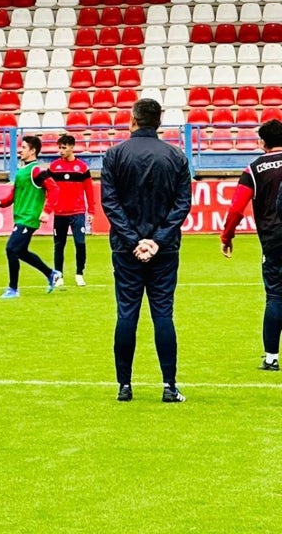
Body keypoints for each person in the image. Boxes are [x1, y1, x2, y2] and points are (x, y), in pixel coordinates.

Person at [101, 98, 192, 403]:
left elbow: (110, 204)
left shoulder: (114, 155)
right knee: (163, 314)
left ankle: (124, 386)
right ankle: (169, 385)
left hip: (126, 250)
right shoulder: (176, 156)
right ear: (159, 121)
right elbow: (182, 204)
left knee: (127, 314)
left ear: (133, 120)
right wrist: (158, 240)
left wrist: (132, 240)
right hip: (164, 251)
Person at [218, 118, 282, 372]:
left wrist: (227, 236)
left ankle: (271, 358)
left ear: (263, 142)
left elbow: (236, 208)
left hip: (274, 240)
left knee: (276, 296)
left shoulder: (254, 169)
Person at [0, 135, 62, 297]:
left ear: (32, 151)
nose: (20, 150)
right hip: (20, 217)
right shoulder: (22, 171)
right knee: (21, 251)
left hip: (29, 218)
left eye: (24, 148)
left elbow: (54, 189)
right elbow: (14, 195)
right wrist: (1, 203)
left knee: (11, 249)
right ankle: (51, 274)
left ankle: (13, 289)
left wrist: (46, 211)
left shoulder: (36, 170)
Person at [48, 134, 96, 287]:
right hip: (60, 213)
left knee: (80, 243)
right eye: (60, 148)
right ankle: (59, 275)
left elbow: (89, 190)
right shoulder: (53, 167)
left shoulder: (82, 168)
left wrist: (92, 211)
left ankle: (79, 273)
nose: (61, 151)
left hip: (78, 212)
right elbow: (47, 188)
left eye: (64, 147)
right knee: (59, 245)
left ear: (72, 147)